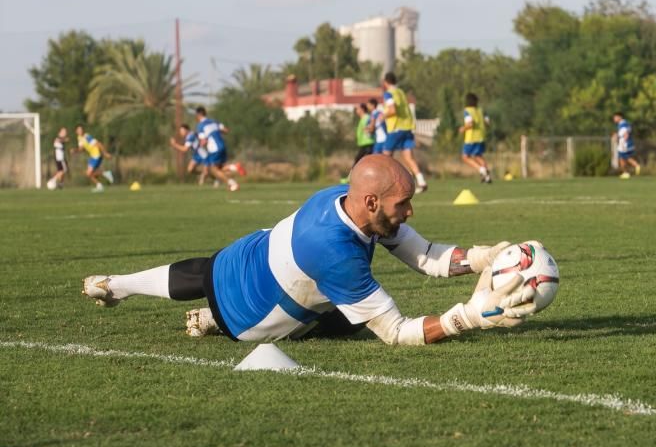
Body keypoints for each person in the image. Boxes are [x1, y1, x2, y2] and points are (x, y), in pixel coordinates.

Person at [81, 155, 532, 344]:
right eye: (404, 203)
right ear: (373, 202)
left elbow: (424, 254)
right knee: (347, 324)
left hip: (249, 253)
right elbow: (396, 332)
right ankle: (213, 321)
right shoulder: (336, 252)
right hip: (252, 317)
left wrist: (480, 257)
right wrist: (468, 317)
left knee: (206, 270)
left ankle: (119, 284)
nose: (410, 212)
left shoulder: (348, 197)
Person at [380, 72, 428, 193]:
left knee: (385, 157)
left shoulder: (388, 93)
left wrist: (382, 116)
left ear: (385, 82)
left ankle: (388, 183)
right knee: (409, 157)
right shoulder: (400, 92)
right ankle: (421, 182)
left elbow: (392, 110)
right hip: (407, 128)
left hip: (396, 128)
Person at [194, 106, 239, 192]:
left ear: (198, 114)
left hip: (214, 148)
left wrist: (199, 146)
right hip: (222, 146)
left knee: (213, 170)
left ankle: (232, 183)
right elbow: (226, 130)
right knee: (220, 168)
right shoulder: (214, 121)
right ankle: (233, 167)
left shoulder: (201, 126)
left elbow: (203, 141)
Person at [458, 93, 492, 183]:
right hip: (481, 136)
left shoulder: (467, 111)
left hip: (471, 138)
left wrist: (463, 129)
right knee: (478, 156)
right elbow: (488, 122)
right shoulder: (481, 110)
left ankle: (481, 170)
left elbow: (470, 124)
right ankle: (487, 176)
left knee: (465, 157)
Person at [72, 125, 114, 192]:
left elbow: (98, 144)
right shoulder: (79, 138)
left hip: (96, 155)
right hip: (93, 155)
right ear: (76, 132)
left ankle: (104, 177)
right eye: (79, 130)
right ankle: (100, 183)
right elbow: (81, 148)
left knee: (88, 173)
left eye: (81, 129)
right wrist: (75, 150)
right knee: (90, 173)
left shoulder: (87, 137)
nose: (81, 131)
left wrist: (105, 153)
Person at [612, 112, 641, 178]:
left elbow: (625, 134)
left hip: (624, 144)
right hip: (627, 143)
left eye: (615, 117)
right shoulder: (626, 123)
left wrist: (621, 140)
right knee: (623, 157)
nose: (614, 119)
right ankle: (626, 172)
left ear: (620, 117)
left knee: (624, 157)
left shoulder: (623, 124)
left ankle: (634, 166)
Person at [353, 102, 375, 166]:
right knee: (359, 160)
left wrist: (368, 129)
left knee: (359, 161)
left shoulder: (367, 117)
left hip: (368, 143)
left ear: (362, 109)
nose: (356, 110)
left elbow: (371, 128)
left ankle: (352, 175)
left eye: (357, 109)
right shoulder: (362, 118)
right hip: (363, 143)